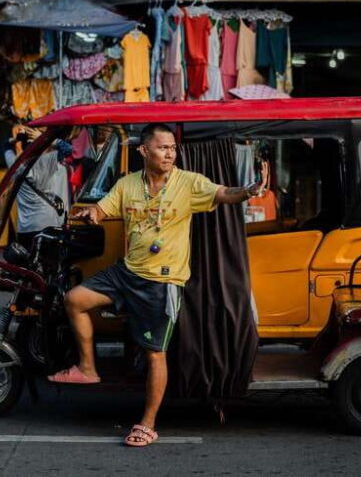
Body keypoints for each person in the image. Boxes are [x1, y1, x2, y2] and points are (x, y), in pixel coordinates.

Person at [49, 123, 261, 447]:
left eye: (172, 148)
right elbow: (104, 209)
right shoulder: (127, 184)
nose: (169, 153)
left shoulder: (188, 183)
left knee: (154, 355)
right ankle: (88, 367)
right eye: (162, 147)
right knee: (74, 299)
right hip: (127, 272)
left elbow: (223, 193)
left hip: (161, 283)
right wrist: (92, 212)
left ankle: (147, 424)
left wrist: (247, 191)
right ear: (143, 151)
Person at [4, 126, 70, 250]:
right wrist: (43, 137)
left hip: (24, 229)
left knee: (26, 266)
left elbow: (5, 146)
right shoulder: (46, 162)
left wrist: (16, 139)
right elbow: (67, 148)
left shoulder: (15, 165)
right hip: (47, 225)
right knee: (48, 265)